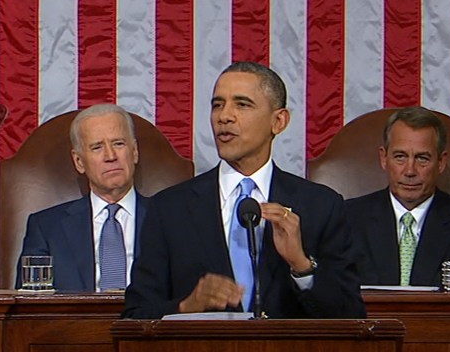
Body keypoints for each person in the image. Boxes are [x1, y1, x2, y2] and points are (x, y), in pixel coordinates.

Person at [122, 62, 365, 319]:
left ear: (278, 121)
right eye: (218, 105)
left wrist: (301, 266)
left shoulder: (321, 206)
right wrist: (186, 307)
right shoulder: (169, 208)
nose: (224, 116)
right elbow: (135, 316)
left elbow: (351, 317)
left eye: (242, 104)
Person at [345, 106, 450, 287]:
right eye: (400, 156)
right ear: (384, 158)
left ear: (441, 162)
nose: (410, 171)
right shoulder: (346, 220)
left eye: (422, 158)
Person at [16, 104, 150, 291]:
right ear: (79, 161)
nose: (110, 156)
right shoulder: (46, 228)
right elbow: (29, 301)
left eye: (118, 144)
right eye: (97, 147)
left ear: (134, 151)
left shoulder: (170, 219)